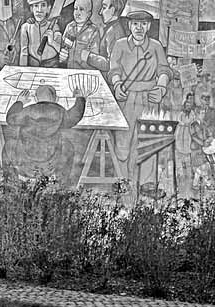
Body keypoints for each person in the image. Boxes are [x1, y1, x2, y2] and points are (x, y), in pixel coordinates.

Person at [109, 10, 171, 197]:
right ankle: (122, 180)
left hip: (149, 98)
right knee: (122, 139)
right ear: (129, 25)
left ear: (149, 26)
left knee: (148, 140)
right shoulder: (120, 45)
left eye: (143, 24)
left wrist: (161, 87)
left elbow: (164, 70)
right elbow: (114, 69)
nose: (139, 28)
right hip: (126, 97)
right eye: (135, 24)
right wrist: (117, 84)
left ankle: (147, 184)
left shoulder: (155, 46)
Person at [5, 85, 87, 184]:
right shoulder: (60, 112)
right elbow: (75, 115)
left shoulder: (27, 110)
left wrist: (20, 102)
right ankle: (62, 183)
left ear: (35, 98)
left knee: (8, 145)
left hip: (25, 165)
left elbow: (10, 118)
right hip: (51, 166)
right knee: (68, 146)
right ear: (56, 99)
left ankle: (10, 181)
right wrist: (80, 98)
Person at [83, 0, 126, 76]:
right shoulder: (113, 28)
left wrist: (89, 57)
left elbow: (111, 64)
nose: (100, 12)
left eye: (104, 7)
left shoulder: (113, 31)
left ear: (112, 10)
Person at [19, 0, 62, 67]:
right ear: (31, 8)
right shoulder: (26, 27)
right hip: (33, 66)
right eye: (36, 6)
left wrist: (52, 42)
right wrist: (23, 69)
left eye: (43, 5)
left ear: (48, 8)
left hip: (52, 66)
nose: (39, 10)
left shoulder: (54, 26)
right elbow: (24, 53)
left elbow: (61, 50)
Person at [59, 0, 100, 69]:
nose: (77, 13)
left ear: (89, 14)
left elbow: (93, 58)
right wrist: (63, 57)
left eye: (81, 9)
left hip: (85, 73)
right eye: (75, 9)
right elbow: (63, 48)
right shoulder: (69, 27)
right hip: (69, 70)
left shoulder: (94, 30)